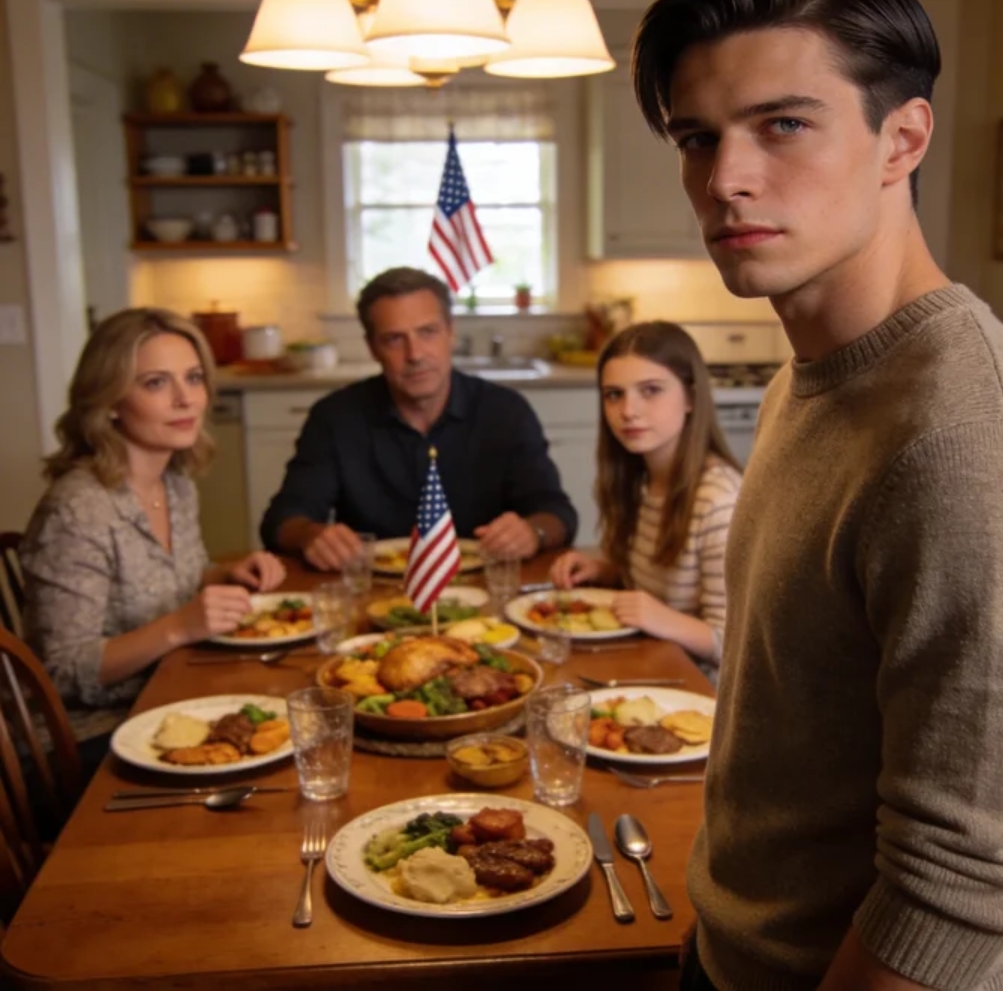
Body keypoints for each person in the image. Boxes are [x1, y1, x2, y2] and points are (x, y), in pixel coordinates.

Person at [632, 0, 1003, 991]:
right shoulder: (810, 376)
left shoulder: (969, 445)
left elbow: (959, 894)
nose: (725, 179)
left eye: (784, 125)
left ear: (901, 139)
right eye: (698, 138)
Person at [20, 308, 285, 759]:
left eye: (194, 378)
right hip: (84, 739)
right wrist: (180, 626)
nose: (186, 399)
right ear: (109, 401)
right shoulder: (77, 511)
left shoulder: (175, 481)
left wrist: (226, 575)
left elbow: (175, 578)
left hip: (164, 698)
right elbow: (61, 670)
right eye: (156, 383)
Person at [261, 267, 577, 570]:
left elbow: (556, 513)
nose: (415, 355)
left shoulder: (506, 412)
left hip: (485, 589)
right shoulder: (334, 417)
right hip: (374, 590)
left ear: (451, 333)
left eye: (428, 332)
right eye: (394, 339)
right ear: (372, 348)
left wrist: (532, 533)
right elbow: (282, 519)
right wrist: (310, 536)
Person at [550, 321, 740, 674]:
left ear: (691, 398)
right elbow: (650, 589)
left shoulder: (719, 503)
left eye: (650, 390)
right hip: (647, 662)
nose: (628, 410)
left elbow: (736, 648)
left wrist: (659, 617)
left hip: (697, 689)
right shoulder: (639, 479)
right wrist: (605, 571)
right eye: (614, 394)